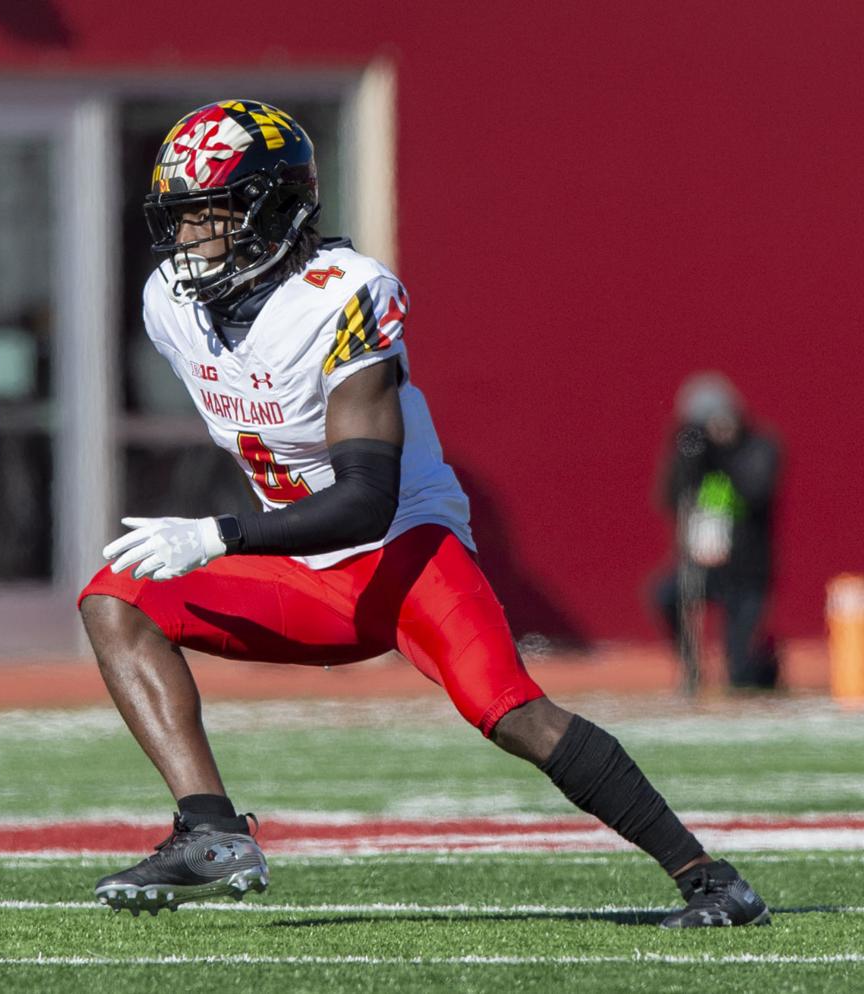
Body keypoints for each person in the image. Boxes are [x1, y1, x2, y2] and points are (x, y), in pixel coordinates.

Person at [78, 100, 770, 928]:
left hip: (404, 550)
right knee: (114, 596)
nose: (189, 240)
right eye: (181, 218)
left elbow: (366, 499)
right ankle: (211, 831)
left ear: (273, 209)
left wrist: (216, 534)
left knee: (510, 711)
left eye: (211, 214)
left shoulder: (346, 297)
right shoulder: (170, 304)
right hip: (306, 572)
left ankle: (711, 879)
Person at [655, 373, 781, 690]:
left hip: (747, 569)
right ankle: (691, 664)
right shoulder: (692, 456)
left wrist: (725, 452)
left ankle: (765, 667)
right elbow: (668, 498)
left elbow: (757, 491)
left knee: (739, 670)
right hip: (703, 566)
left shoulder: (759, 447)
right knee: (665, 596)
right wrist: (687, 457)